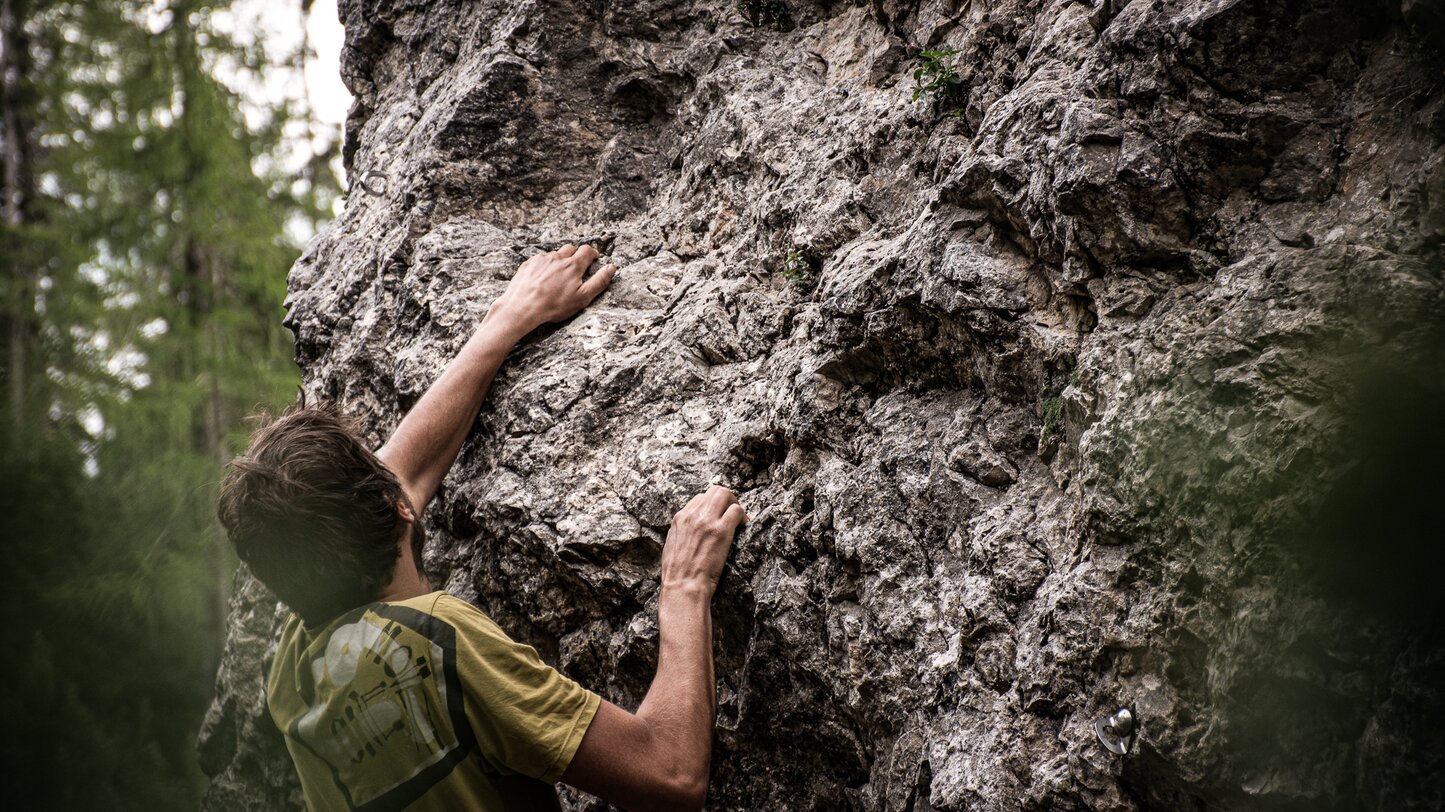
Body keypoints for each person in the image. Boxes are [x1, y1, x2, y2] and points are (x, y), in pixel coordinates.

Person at [216, 244, 747, 812]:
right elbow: (669, 775)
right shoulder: (439, 643)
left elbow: (401, 473)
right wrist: (684, 589)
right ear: (398, 510)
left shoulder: (295, 676)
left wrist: (508, 318)